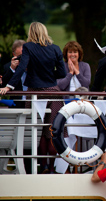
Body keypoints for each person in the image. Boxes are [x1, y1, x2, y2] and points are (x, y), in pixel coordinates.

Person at [0, 22, 67, 174]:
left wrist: (9, 86)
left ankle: (42, 167)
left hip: (35, 93)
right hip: (53, 93)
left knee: (37, 132)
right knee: (52, 132)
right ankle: (51, 168)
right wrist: (49, 75)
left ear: (31, 33)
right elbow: (62, 73)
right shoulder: (56, 48)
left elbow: (22, 68)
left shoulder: (29, 47)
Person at [2, 40, 26, 108]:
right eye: (19, 56)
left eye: (24, 55)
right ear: (14, 55)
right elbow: (3, 84)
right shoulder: (8, 67)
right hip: (16, 103)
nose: (22, 58)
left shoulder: (33, 66)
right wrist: (12, 69)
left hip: (32, 101)